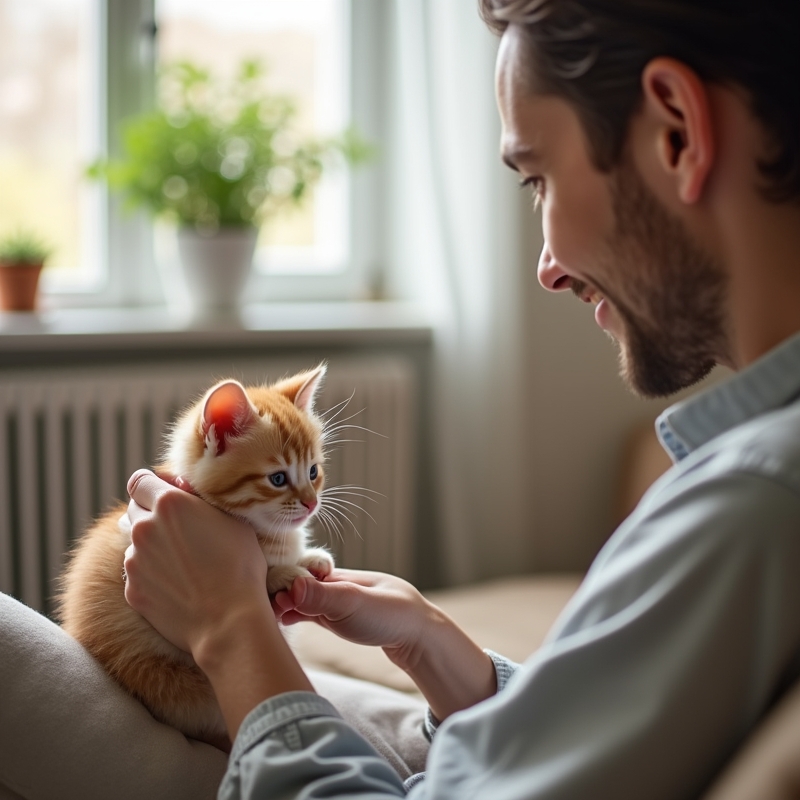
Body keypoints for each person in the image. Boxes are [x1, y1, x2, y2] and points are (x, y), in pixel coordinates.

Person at [122, 1, 800, 797]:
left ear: (676, 132)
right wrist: (443, 650)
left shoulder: (753, 501)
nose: (546, 268)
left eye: (539, 179)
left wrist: (230, 628)